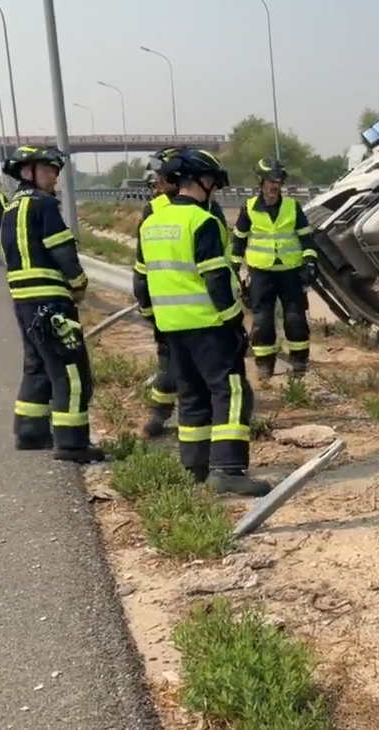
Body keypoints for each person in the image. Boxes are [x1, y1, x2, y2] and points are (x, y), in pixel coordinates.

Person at [133, 147, 271, 497]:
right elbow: (216, 282)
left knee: (192, 395)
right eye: (212, 180)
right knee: (232, 391)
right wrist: (234, 324)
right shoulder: (203, 222)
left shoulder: (151, 223)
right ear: (200, 181)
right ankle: (228, 468)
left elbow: (142, 281)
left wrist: (155, 322)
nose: (214, 187)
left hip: (171, 327)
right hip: (208, 325)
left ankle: (195, 467)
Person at [0, 145, 105, 463]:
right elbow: (63, 253)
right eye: (48, 169)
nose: (54, 175)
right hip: (51, 302)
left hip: (24, 303)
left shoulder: (10, 209)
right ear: (27, 172)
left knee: (37, 366)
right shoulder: (44, 205)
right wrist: (78, 284)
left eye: (55, 170)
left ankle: (30, 432)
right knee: (70, 370)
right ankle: (72, 444)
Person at [138, 146, 232, 438]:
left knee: (192, 387)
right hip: (196, 317)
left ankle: (198, 454)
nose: (159, 182)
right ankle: (160, 415)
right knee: (178, 375)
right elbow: (144, 270)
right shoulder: (157, 211)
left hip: (181, 315)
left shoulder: (206, 209)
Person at [231, 158, 317, 380]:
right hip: (261, 273)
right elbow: (238, 242)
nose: (275, 185)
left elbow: (307, 239)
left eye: (278, 181)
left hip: (291, 272)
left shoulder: (292, 207)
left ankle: (299, 361)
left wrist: (309, 263)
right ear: (261, 182)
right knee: (262, 321)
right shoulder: (249, 208)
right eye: (271, 180)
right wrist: (233, 269)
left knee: (295, 318)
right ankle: (264, 365)